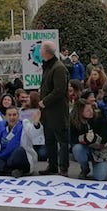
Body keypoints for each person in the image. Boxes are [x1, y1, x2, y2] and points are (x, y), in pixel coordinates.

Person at [38, 40, 69, 176]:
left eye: (41, 50)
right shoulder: (49, 66)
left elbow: (59, 90)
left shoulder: (58, 68)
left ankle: (63, 168)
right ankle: (52, 166)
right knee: (49, 139)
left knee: (62, 141)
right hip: (48, 112)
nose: (39, 52)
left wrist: (44, 101)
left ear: (45, 52)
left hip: (57, 111)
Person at [0, 106, 41, 178]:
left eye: (14, 115)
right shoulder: (1, 127)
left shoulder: (24, 124)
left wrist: (36, 124)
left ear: (18, 116)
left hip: (20, 159)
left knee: (19, 151)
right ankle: (11, 171)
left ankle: (4, 170)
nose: (12, 117)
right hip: (5, 157)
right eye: (9, 115)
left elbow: (34, 134)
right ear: (5, 117)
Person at [69, 101, 107, 180]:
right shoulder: (74, 122)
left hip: (100, 150)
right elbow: (72, 139)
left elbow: (105, 136)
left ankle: (99, 165)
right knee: (77, 149)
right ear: (80, 112)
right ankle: (85, 168)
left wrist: (94, 139)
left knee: (100, 177)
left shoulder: (99, 118)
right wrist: (84, 138)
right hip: (85, 148)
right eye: (88, 110)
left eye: (91, 109)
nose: (91, 111)